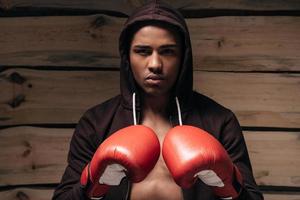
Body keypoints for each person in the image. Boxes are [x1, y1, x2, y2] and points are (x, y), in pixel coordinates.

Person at [52, 1, 264, 200]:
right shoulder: (96, 123)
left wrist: (229, 185)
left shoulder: (220, 122)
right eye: (143, 51)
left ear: (183, 57)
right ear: (127, 57)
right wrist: (92, 182)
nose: (155, 64)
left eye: (167, 52)